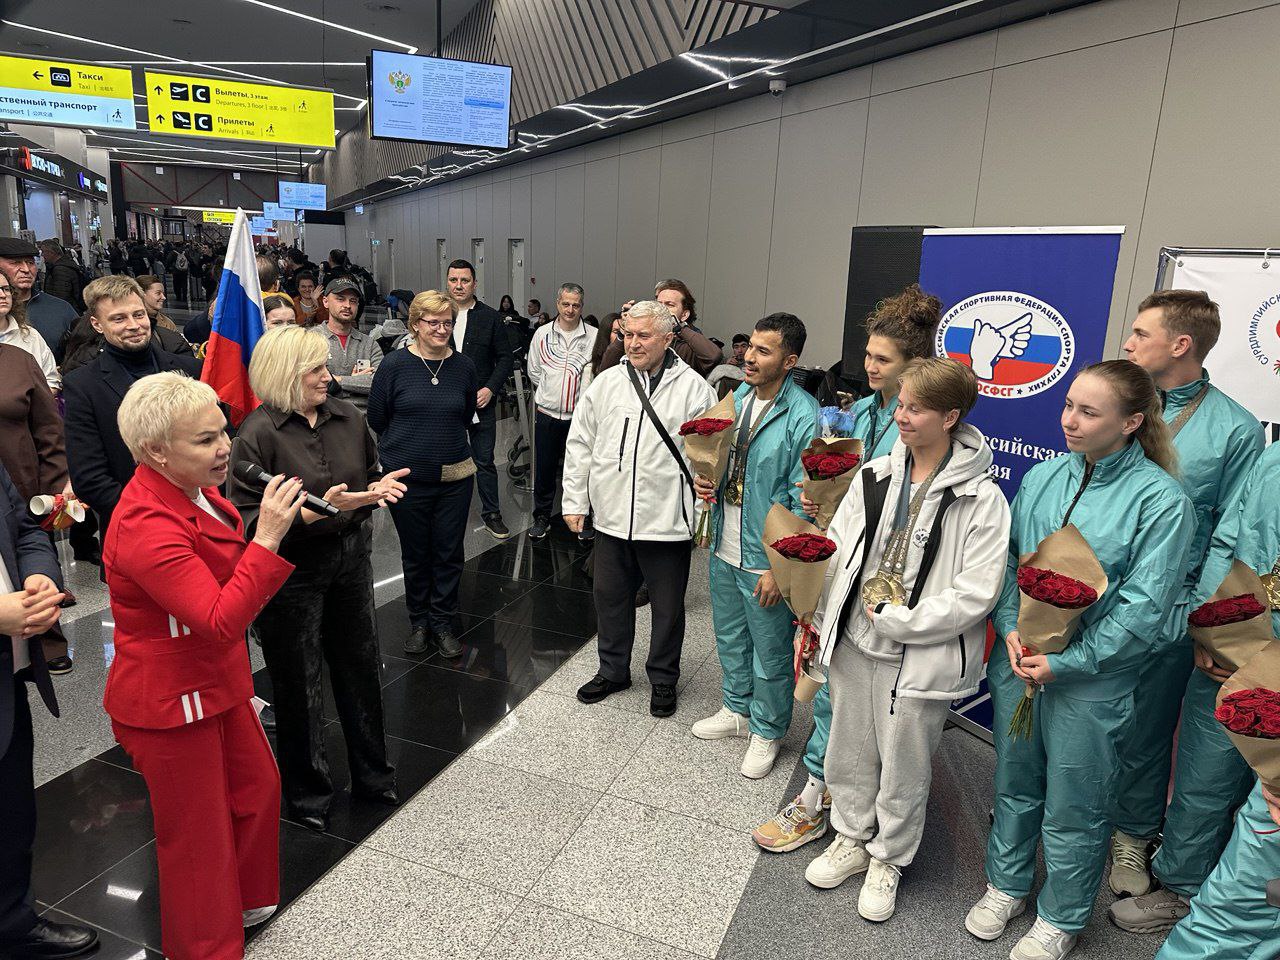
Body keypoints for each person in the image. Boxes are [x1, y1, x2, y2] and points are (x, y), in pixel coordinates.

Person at [968, 360, 1196, 960]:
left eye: (1088, 412)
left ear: (1132, 423)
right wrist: (1012, 630)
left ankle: (1062, 915)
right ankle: (1007, 883)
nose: (1069, 419)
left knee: (1077, 801)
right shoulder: (1044, 476)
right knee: (1014, 781)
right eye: (1069, 404)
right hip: (1020, 667)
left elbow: (1144, 611)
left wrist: (1070, 664)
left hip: (1092, 682)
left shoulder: (1161, 502)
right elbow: (1010, 566)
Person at [796, 359, 1008, 923]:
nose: (901, 415)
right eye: (901, 404)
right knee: (847, 746)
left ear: (951, 417)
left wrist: (901, 620)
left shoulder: (981, 500)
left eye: (915, 408)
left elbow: (976, 593)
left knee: (905, 762)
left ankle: (887, 858)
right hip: (853, 641)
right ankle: (848, 833)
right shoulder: (874, 474)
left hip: (916, 652)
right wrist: (818, 618)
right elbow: (839, 555)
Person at [102, 372, 306, 960]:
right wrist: (267, 539)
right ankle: (205, 945)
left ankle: (237, 902)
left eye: (223, 432)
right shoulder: (145, 523)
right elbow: (218, 618)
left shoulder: (197, 492)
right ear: (156, 452)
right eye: (204, 440)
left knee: (257, 789)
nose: (224, 449)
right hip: (168, 699)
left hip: (213, 681)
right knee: (197, 837)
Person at [752, 284, 941, 854]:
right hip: (842, 564)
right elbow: (836, 484)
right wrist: (817, 503)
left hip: (893, 580)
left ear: (916, 366)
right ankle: (820, 793)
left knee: (867, 704)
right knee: (828, 680)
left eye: (883, 360)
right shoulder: (857, 411)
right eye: (868, 356)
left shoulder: (923, 426)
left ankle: (842, 802)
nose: (869, 367)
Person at [1106, 290, 1264, 929]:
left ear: (1181, 345)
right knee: (1106, 725)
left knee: (1151, 729)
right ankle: (1094, 824)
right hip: (1099, 597)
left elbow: (1236, 536)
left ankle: (1137, 834)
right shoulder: (1118, 404)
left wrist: (1203, 621)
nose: (1126, 343)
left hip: (1175, 611)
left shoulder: (1237, 431)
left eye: (1140, 333)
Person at [229, 327, 407, 832]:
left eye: (326, 367)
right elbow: (243, 522)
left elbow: (368, 472)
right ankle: (308, 796)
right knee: (298, 684)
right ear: (286, 375)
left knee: (360, 669)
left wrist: (377, 489)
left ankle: (374, 776)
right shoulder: (257, 434)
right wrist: (318, 513)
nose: (328, 377)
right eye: (315, 370)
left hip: (351, 560)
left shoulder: (349, 417)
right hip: (292, 573)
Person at [562, 300, 716, 716]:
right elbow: (580, 445)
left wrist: (702, 514)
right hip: (611, 517)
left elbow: (709, 460)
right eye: (627, 334)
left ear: (668, 338)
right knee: (609, 598)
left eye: (643, 335)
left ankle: (664, 678)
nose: (632, 343)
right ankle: (613, 671)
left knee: (667, 608)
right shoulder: (606, 383)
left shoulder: (695, 390)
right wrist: (575, 501)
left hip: (666, 521)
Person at [691, 312, 818, 777]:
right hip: (725, 539)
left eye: (764, 351)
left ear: (790, 360)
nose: (748, 356)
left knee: (770, 648)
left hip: (764, 553)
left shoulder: (802, 414)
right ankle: (736, 709)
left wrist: (778, 567)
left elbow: (802, 500)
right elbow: (720, 461)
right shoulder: (737, 398)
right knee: (729, 635)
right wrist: (705, 481)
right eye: (750, 347)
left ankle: (767, 729)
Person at [0, 459, 99, 960]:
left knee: (12, 808)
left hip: (8, 669)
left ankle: (12, 922)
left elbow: (20, 526)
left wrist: (39, 576)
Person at [367, 291, 478, 659]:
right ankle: (419, 622)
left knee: (448, 552)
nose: (442, 329)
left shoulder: (463, 367)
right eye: (433, 322)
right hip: (406, 479)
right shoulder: (394, 365)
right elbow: (378, 418)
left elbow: (463, 417)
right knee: (416, 554)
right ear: (415, 325)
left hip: (454, 478)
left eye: (448, 322)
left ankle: (443, 622)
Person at [63, 276, 202, 543]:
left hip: (201, 516)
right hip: (134, 528)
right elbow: (89, 478)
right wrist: (152, 517)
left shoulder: (190, 370)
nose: (134, 325)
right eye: (119, 318)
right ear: (97, 324)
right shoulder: (83, 386)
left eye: (138, 314)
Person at [0, 341, 72, 674]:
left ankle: (47, 640)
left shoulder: (18, 360)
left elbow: (49, 430)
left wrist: (57, 486)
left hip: (22, 484)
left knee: (34, 563)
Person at [444, 259, 515, 540]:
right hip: (446, 405)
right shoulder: (438, 314)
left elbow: (505, 358)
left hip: (481, 403)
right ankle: (448, 515)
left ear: (475, 283)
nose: (459, 285)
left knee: (484, 460)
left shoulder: (490, 317)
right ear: (447, 282)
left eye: (464, 280)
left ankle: (492, 513)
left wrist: (490, 389)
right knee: (448, 460)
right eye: (453, 280)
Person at [527, 283, 593, 540]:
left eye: (576, 305)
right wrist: (549, 391)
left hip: (579, 417)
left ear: (581, 307)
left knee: (582, 469)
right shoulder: (542, 334)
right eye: (566, 304)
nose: (570, 309)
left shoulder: (593, 336)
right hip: (547, 414)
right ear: (557, 304)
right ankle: (542, 516)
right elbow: (534, 371)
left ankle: (585, 518)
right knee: (544, 469)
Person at [597, 280, 722, 377]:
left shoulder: (689, 344)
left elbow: (713, 356)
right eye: (659, 303)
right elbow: (606, 370)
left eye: (669, 304)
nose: (662, 309)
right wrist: (626, 329)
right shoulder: (639, 338)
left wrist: (679, 327)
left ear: (684, 315)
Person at [0, 237, 77, 364]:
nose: (26, 269)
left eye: (30, 263)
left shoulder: (60, 308)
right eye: (16, 263)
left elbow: (84, 351)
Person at [320, 277, 381, 406]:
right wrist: (356, 383)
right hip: (325, 418)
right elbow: (308, 384)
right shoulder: (310, 339)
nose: (347, 305)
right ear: (325, 302)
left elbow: (380, 383)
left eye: (353, 301)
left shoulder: (369, 344)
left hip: (364, 420)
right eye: (340, 299)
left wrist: (337, 380)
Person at [0, 273, 58, 393]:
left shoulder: (30, 336)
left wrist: (29, 405)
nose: (3, 295)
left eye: (6, 289)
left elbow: (51, 381)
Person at [37, 240, 84, 314]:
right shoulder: (65, 264)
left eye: (43, 252)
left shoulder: (60, 269)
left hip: (67, 312)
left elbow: (61, 296)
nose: (42, 255)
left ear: (51, 252)